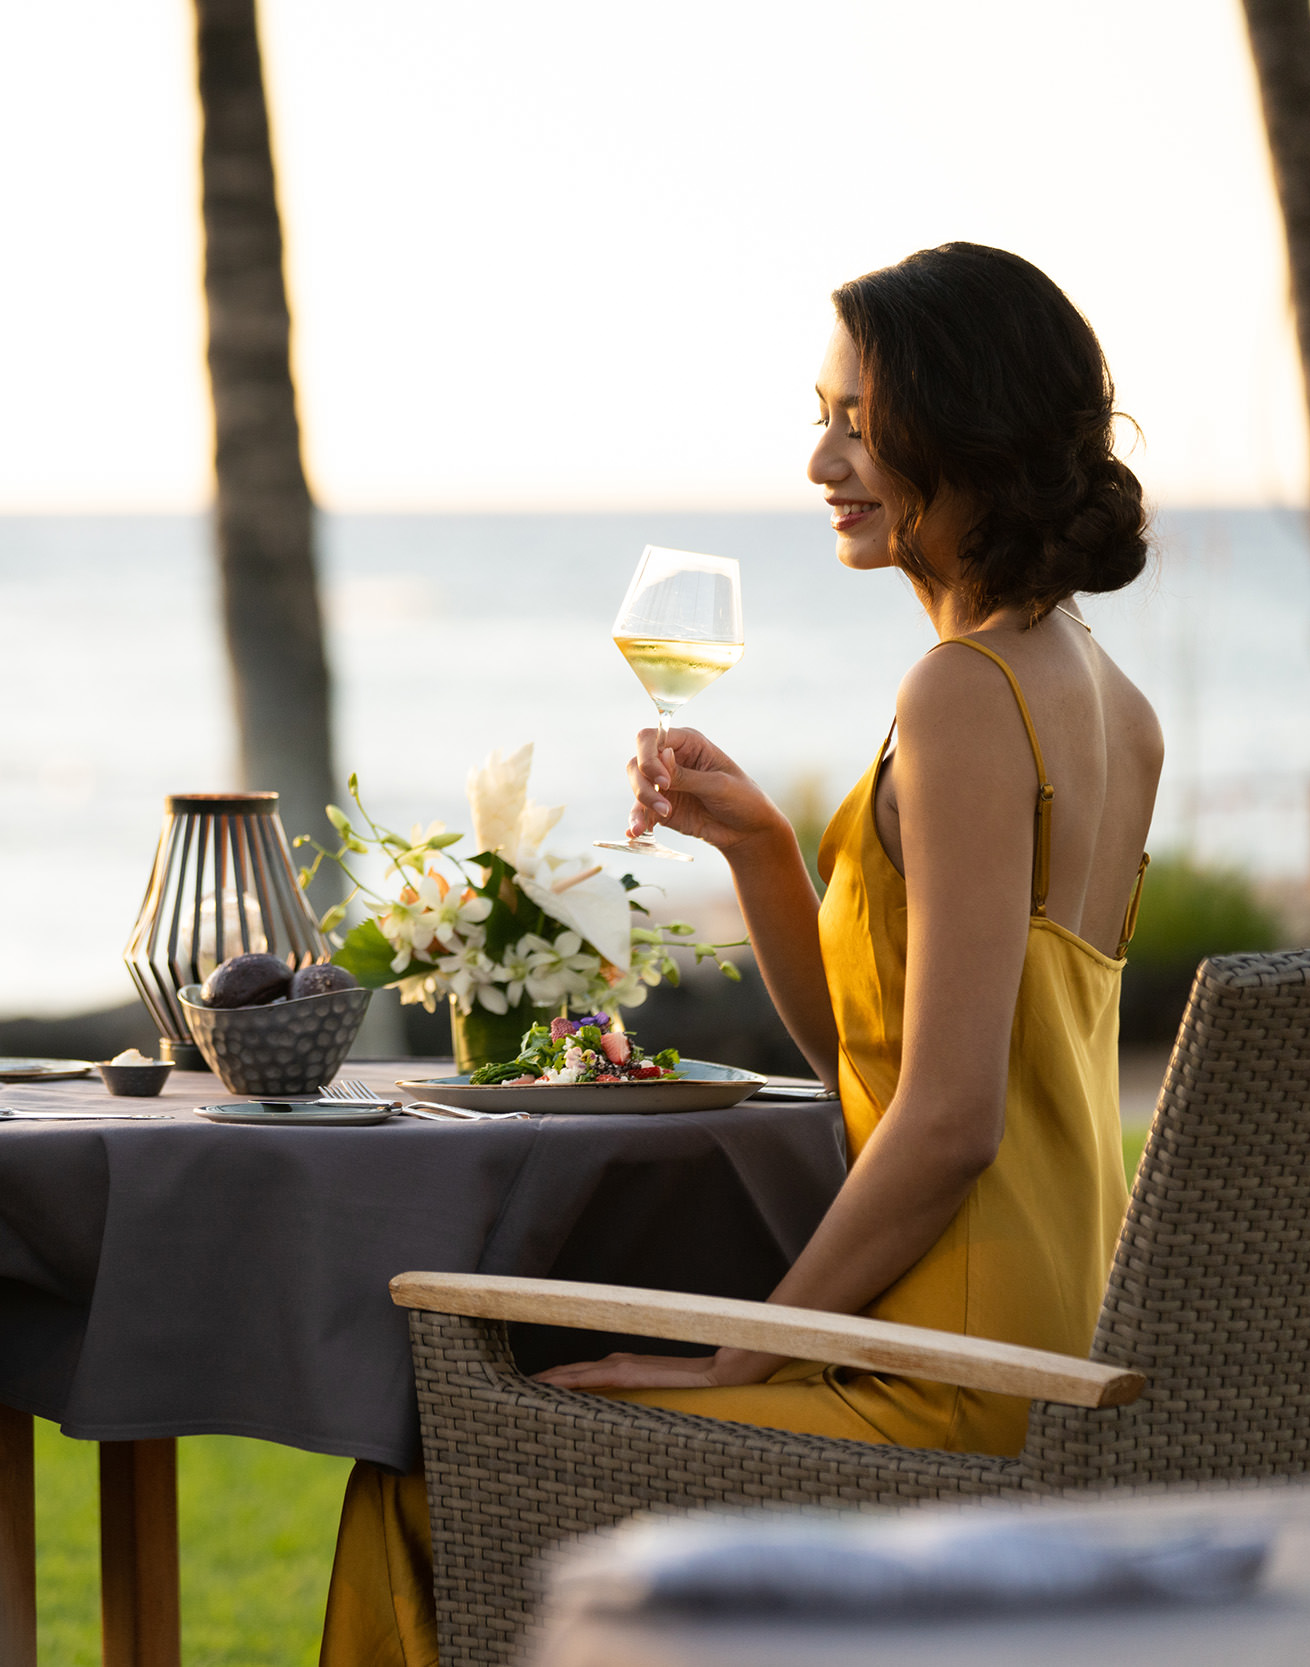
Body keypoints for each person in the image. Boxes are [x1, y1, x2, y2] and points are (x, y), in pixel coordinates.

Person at [320, 242, 1162, 1666]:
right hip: (1048, 1343)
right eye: (821, 414)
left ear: (962, 424)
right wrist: (770, 851)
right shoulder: (1107, 694)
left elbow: (948, 1126)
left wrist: (746, 1348)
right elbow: (885, 1069)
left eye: (855, 418)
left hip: (945, 1378)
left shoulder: (960, 692)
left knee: (429, 1460)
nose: (822, 457)